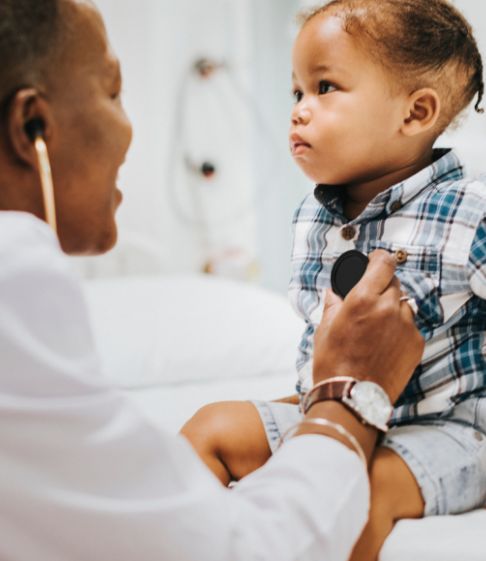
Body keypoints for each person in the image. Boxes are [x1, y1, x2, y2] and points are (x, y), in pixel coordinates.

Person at [0, 1, 426, 560]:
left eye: (326, 89)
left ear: (416, 113)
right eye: (112, 92)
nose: (129, 130)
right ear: (33, 124)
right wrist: (350, 391)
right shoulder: (16, 272)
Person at [181, 1, 486, 560]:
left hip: (447, 427)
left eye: (325, 88)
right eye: (296, 92)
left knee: (355, 493)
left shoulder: (467, 213)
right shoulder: (313, 216)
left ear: (415, 113)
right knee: (210, 427)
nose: (299, 111)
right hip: (333, 404)